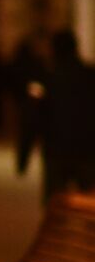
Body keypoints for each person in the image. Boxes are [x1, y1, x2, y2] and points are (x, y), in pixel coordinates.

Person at [17, 30, 95, 201]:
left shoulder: (46, 80)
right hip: (88, 150)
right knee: (90, 204)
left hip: (56, 151)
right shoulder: (90, 77)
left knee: (56, 204)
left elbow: (32, 118)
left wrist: (23, 156)